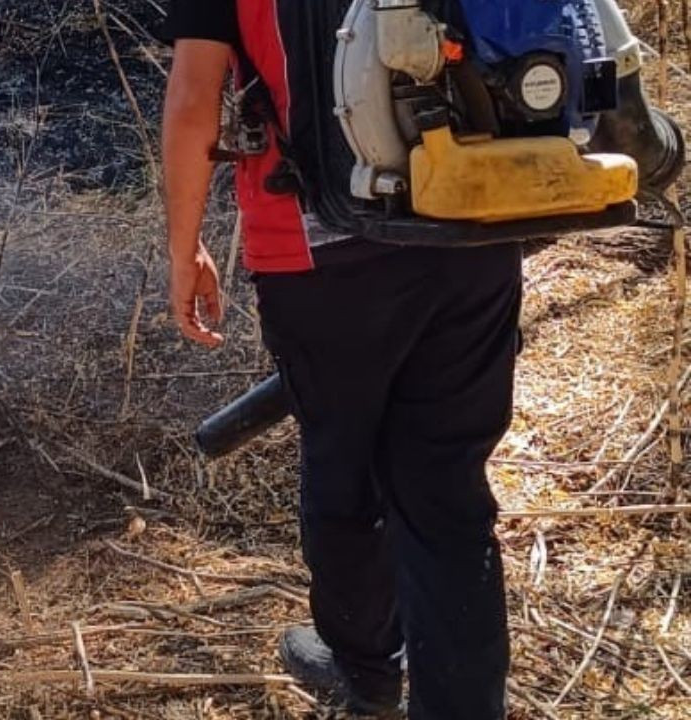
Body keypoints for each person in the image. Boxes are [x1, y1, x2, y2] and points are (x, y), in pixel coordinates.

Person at [161, 2, 520, 718]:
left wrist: (184, 246)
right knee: (447, 489)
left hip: (319, 250)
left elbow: (196, 95)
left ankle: (367, 670)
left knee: (344, 461)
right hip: (472, 223)